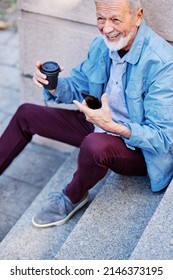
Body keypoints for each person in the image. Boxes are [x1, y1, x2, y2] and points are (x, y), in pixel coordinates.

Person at [1, 0, 173, 228]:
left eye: (115, 19)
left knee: (94, 145)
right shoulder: (102, 46)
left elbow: (162, 139)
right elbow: (78, 87)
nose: (107, 28)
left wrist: (113, 127)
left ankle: (72, 196)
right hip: (99, 122)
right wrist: (52, 85)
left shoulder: (162, 62)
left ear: (138, 16)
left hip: (138, 148)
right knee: (26, 113)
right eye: (101, 18)